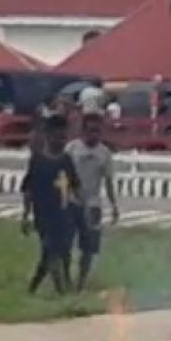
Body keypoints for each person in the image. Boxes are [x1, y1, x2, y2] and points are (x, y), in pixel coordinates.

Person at [21, 114, 79, 295]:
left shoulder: (66, 160)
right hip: (43, 216)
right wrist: (26, 215)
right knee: (52, 251)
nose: (60, 141)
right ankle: (62, 290)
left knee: (57, 254)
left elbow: (75, 187)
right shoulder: (38, 161)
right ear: (47, 135)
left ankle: (33, 288)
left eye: (63, 137)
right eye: (56, 136)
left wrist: (80, 209)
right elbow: (28, 190)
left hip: (63, 214)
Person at [65, 113, 119, 292]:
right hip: (71, 202)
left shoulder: (104, 153)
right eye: (90, 131)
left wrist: (114, 205)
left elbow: (109, 181)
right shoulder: (72, 149)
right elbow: (61, 176)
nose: (93, 135)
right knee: (65, 243)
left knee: (88, 249)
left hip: (93, 204)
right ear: (83, 131)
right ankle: (66, 280)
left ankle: (80, 283)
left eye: (97, 131)